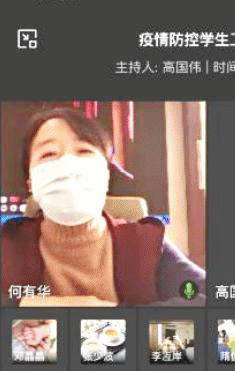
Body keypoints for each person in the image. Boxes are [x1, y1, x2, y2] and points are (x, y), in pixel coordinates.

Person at [1, 107, 205, 307]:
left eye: (84, 150)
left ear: (106, 175)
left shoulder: (146, 243)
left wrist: (112, 316)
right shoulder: (8, 245)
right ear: (31, 183)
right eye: (48, 154)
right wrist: (27, 304)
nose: (68, 165)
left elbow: (206, 297)